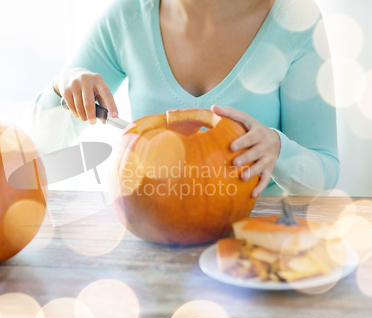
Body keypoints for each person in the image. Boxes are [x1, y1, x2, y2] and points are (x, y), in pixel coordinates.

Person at [22, 0, 339, 197]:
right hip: (151, 231)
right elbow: (39, 152)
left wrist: (276, 149)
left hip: (257, 241)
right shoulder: (126, 16)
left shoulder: (297, 20)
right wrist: (61, 87)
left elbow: (326, 170)